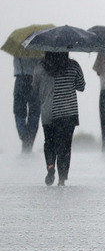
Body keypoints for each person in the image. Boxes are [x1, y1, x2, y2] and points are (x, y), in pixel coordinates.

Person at [32, 52, 85, 186]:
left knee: (49, 142)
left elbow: (35, 88)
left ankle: (50, 166)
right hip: (68, 112)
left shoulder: (41, 67)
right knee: (65, 146)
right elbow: (81, 86)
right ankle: (62, 179)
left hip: (49, 111)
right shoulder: (73, 66)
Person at [13, 56, 41, 154]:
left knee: (19, 111)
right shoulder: (37, 45)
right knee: (35, 112)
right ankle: (30, 138)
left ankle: (24, 135)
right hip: (35, 80)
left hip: (20, 77)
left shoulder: (17, 47)